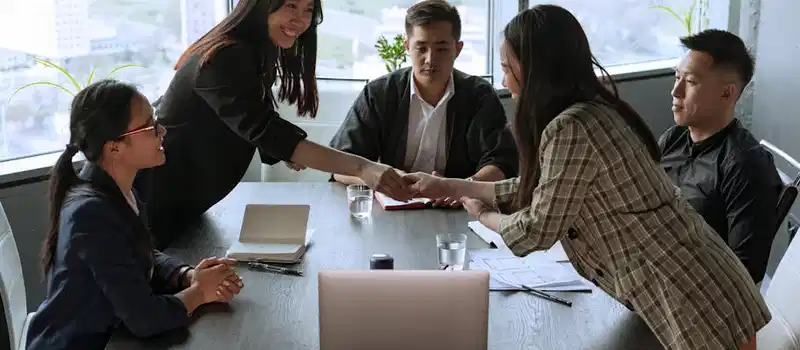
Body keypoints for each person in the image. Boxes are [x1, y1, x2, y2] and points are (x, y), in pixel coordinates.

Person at [404, 5, 769, 350]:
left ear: (533, 69)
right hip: (695, 292)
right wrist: (454, 185)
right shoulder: (591, 112)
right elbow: (544, 189)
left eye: (507, 67)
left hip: (696, 302)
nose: (504, 80)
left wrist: (483, 215)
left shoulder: (572, 127)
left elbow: (535, 230)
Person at [136, 0, 414, 248]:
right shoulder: (226, 56)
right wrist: (363, 167)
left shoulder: (253, 51)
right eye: (290, 6)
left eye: (308, 10)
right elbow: (263, 128)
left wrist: (280, 150)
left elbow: (255, 113)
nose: (301, 20)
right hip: (153, 201)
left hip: (183, 202)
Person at [25, 80, 244, 350]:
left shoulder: (120, 191)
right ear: (114, 147)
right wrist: (200, 292)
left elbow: (140, 255)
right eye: (150, 126)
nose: (161, 130)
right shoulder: (90, 213)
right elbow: (145, 318)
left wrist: (186, 275)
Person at [328, 0, 518, 207]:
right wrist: (380, 179)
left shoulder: (479, 95)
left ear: (458, 48)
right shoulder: (380, 93)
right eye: (421, 48)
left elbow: (502, 163)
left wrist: (463, 187)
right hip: (393, 210)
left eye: (441, 49)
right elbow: (339, 165)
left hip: (461, 210)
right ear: (407, 46)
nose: (430, 59)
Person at [659, 29, 782, 284]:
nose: (676, 91)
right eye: (676, 77)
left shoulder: (745, 165)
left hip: (697, 297)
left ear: (727, 93)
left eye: (690, 82)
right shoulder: (673, 139)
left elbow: (745, 272)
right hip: (652, 272)